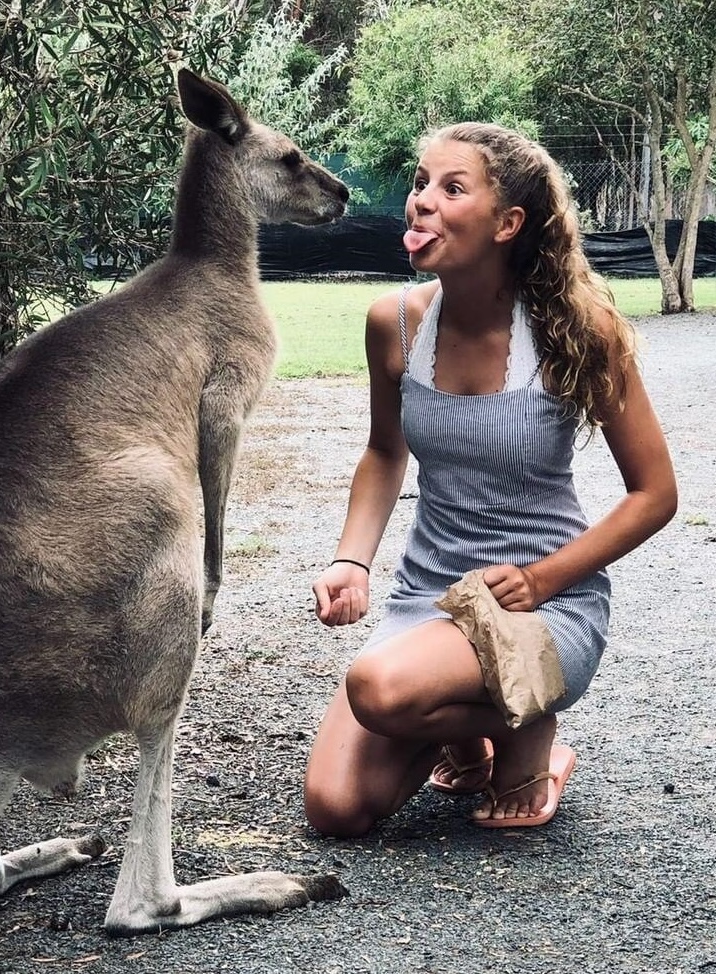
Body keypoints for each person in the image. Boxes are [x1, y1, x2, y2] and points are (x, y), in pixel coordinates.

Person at [303, 122, 678, 837]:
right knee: (336, 809)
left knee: (377, 688)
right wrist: (350, 559)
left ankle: (531, 730)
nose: (420, 201)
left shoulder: (576, 327)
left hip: (542, 603)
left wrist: (543, 579)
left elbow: (655, 494)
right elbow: (385, 454)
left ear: (508, 223)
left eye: (452, 188)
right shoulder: (395, 325)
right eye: (420, 183)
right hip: (432, 597)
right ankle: (475, 742)